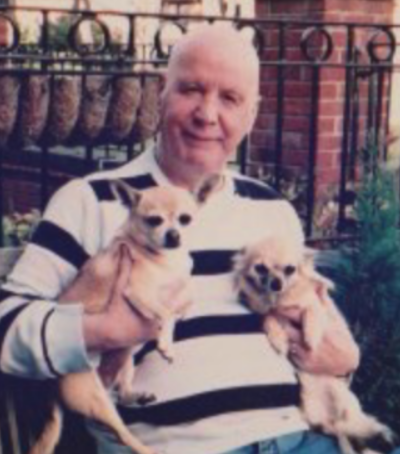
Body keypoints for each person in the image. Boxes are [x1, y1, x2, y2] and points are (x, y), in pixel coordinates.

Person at [0, 23, 363, 454]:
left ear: (251, 114)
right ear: (162, 92)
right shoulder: (92, 200)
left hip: (300, 439)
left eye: (230, 98)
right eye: (192, 89)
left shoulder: (272, 208)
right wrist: (104, 330)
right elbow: (6, 327)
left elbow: (324, 327)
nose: (207, 114)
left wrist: (342, 357)